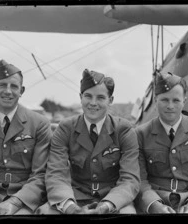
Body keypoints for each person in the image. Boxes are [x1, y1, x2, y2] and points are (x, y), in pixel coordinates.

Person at [36, 69, 140, 214]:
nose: (93, 103)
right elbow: (56, 173)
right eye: (88, 96)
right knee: (45, 213)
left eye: (100, 98)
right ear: (80, 97)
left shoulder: (124, 130)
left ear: (110, 100)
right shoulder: (65, 128)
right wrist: (71, 208)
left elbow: (130, 179)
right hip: (74, 197)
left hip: (113, 198)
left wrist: (108, 205)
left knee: (128, 215)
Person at [0, 60, 53, 215]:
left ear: (22, 91)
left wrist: (14, 202)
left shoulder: (40, 124)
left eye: (14, 86)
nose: (8, 91)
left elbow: (40, 175)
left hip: (26, 199)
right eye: (2, 85)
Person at [135, 72, 188, 214]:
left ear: (184, 101)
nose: (170, 106)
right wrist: (153, 204)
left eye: (176, 100)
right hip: (155, 199)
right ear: (156, 100)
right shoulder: (140, 134)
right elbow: (138, 179)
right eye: (164, 100)